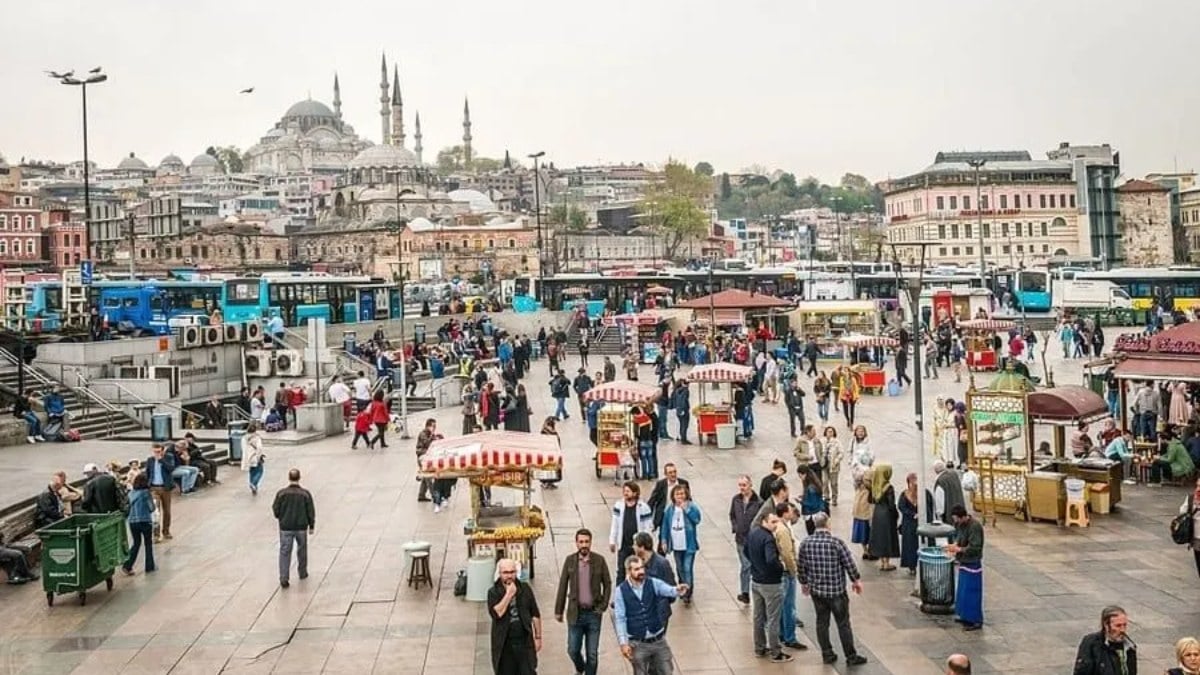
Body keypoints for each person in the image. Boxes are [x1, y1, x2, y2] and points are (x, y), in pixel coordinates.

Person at [797, 512, 867, 666]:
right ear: (828, 524)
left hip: (817, 592)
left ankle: (827, 653)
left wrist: (804, 582)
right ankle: (851, 656)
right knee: (843, 624)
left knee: (822, 622)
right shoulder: (836, 543)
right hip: (836, 592)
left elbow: (801, 566)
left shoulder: (806, 543)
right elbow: (849, 564)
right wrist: (856, 580)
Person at [611, 555, 688, 675]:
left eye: (642, 568)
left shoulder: (653, 583)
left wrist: (677, 590)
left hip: (658, 640)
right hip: (637, 643)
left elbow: (666, 589)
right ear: (628, 571)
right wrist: (623, 643)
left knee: (667, 671)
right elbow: (620, 618)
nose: (641, 571)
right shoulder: (621, 591)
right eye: (636, 569)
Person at [554, 528, 612, 675]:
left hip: (593, 614)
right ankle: (580, 669)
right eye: (581, 542)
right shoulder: (570, 561)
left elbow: (608, 583)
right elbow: (562, 585)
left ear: (591, 542)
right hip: (576, 614)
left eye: (587, 541)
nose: (584, 544)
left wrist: (603, 605)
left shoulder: (599, 560)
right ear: (576, 543)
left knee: (592, 654)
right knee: (573, 649)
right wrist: (558, 610)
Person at [744, 510, 793, 663]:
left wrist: (756, 565)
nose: (775, 525)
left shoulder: (753, 533)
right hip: (771, 583)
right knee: (773, 618)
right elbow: (771, 560)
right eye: (773, 522)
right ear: (764, 521)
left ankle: (759, 648)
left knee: (758, 616)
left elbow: (745, 551)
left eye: (776, 522)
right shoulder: (768, 538)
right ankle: (776, 652)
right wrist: (780, 567)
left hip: (756, 580)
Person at [489, 558, 542, 675]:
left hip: (523, 639)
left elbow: (535, 614)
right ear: (500, 573)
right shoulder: (493, 592)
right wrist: (509, 595)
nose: (509, 576)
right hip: (505, 643)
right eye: (506, 573)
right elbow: (497, 613)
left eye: (512, 572)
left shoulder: (525, 589)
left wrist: (538, 637)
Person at [774, 502, 809, 652]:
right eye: (790, 511)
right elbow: (787, 553)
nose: (792, 513)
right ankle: (789, 637)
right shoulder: (782, 530)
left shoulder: (779, 526)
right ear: (785, 513)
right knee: (789, 606)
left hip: (782, 571)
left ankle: (783, 634)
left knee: (783, 605)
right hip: (786, 572)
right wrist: (794, 570)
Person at [657, 484, 700, 606]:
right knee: (680, 568)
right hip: (676, 544)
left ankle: (688, 592)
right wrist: (664, 540)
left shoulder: (691, 506)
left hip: (689, 544)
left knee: (687, 568)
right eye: (677, 494)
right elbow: (665, 526)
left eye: (682, 494)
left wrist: (687, 509)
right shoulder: (669, 510)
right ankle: (684, 585)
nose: (680, 496)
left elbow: (697, 520)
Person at [273, 468, 315, 589]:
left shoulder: (281, 493)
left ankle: (284, 577)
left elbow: (276, 510)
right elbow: (310, 511)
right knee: (302, 550)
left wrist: (281, 517)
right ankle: (302, 572)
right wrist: (311, 525)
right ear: (299, 477)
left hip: (286, 527)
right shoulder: (305, 494)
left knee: (285, 552)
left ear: (289, 478)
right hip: (301, 527)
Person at [947, 504, 984, 631]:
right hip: (964, 562)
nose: (955, 522)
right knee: (962, 591)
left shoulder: (975, 527)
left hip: (972, 562)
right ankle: (964, 615)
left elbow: (975, 547)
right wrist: (954, 545)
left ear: (963, 517)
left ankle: (974, 620)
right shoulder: (960, 524)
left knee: (972, 592)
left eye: (957, 519)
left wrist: (959, 549)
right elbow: (959, 538)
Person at [609, 481, 653, 584]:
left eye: (628, 491)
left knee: (639, 570)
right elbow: (615, 524)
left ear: (635, 493)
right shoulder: (619, 505)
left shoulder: (643, 507)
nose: (625, 493)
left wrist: (646, 544)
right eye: (624, 491)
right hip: (623, 544)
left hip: (637, 546)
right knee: (621, 571)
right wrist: (612, 540)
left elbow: (648, 527)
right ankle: (619, 595)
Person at [1072, 605, 1137, 675]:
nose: (1122, 630)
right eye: (1118, 626)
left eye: (1124, 625)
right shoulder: (1091, 644)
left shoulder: (1129, 647)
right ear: (1106, 625)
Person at [729, 475, 762, 606]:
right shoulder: (736, 500)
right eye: (740, 485)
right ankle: (745, 592)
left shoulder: (758, 502)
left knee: (751, 565)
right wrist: (735, 527)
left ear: (750, 485)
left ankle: (753, 590)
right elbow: (732, 515)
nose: (742, 488)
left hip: (753, 539)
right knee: (746, 565)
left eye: (744, 485)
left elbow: (762, 519)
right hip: (741, 538)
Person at [121, 472, 156, 576]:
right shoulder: (146, 493)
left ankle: (127, 565)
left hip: (132, 521)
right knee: (148, 544)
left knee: (136, 543)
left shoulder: (130, 493)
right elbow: (151, 508)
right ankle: (150, 566)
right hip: (145, 520)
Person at [868, 463, 900, 572]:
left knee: (880, 537)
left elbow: (871, 500)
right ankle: (887, 563)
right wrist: (896, 514)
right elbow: (891, 504)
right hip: (886, 514)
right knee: (887, 537)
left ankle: (882, 562)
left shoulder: (875, 486)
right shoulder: (889, 487)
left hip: (877, 514)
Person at [144, 444, 177, 540]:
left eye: (158, 451)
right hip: (154, 488)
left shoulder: (168, 457)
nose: (156, 454)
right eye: (155, 451)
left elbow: (171, 468)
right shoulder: (150, 460)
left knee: (167, 511)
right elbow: (147, 473)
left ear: (163, 451)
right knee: (156, 512)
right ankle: (156, 534)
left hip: (165, 488)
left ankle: (166, 531)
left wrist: (161, 460)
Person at [647, 463, 689, 531]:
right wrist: (647, 518)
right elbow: (652, 500)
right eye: (670, 472)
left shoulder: (683, 483)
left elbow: (688, 499)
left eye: (675, 471)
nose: (673, 474)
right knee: (663, 537)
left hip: (680, 515)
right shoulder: (660, 484)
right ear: (665, 474)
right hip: (664, 515)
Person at [850, 466, 874, 560]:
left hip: (857, 511)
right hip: (866, 512)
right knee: (868, 531)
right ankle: (870, 551)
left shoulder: (857, 487)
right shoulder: (868, 488)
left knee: (861, 532)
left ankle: (865, 551)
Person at [414, 418, 441, 502]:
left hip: (427, 456)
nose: (434, 428)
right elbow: (427, 444)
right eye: (433, 426)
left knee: (425, 477)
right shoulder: (423, 434)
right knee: (428, 477)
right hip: (422, 457)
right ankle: (434, 496)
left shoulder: (429, 434)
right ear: (428, 426)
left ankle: (421, 495)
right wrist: (433, 437)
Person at [899, 472, 920, 576]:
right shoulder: (923, 493)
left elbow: (901, 507)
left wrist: (911, 514)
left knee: (911, 546)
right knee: (914, 545)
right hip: (914, 524)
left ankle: (912, 567)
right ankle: (914, 566)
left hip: (909, 524)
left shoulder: (904, 494)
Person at [1181, 477, 1200, 578]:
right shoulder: (1191, 499)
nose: (1198, 489)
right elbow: (1182, 511)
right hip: (1196, 538)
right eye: (1197, 486)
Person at [821, 426, 844, 506]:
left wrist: (836, 460)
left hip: (833, 466)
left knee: (834, 483)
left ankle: (834, 498)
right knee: (824, 481)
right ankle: (826, 497)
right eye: (828, 431)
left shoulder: (837, 442)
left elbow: (841, 453)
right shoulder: (822, 441)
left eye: (831, 431)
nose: (830, 433)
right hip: (824, 465)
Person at [242, 421, 265, 495]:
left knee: (251, 472)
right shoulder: (256, 438)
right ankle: (254, 483)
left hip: (248, 458)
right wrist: (259, 456)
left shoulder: (244, 438)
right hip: (255, 456)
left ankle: (253, 485)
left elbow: (243, 448)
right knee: (260, 471)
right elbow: (259, 448)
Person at [671, 378, 691, 444]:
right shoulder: (685, 391)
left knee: (682, 424)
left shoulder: (676, 390)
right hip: (684, 409)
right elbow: (683, 400)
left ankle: (682, 437)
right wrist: (683, 409)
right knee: (684, 425)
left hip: (678, 409)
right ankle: (684, 439)